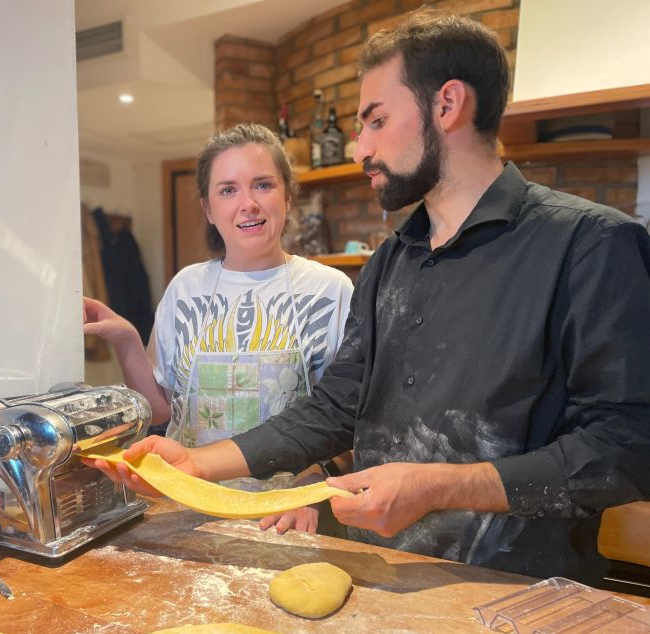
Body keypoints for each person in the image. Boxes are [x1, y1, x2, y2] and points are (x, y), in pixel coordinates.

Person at [87, 9, 650, 585]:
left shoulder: (590, 245)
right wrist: (199, 462)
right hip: (377, 576)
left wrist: (441, 486)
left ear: (448, 105)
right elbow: (334, 409)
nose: (360, 149)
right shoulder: (390, 262)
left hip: (511, 592)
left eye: (376, 121)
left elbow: (631, 447)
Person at [83, 123, 354, 505]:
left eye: (263, 184)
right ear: (208, 209)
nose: (248, 203)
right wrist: (126, 339)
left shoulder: (330, 290)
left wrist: (309, 489)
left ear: (288, 196)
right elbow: (161, 408)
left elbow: (345, 418)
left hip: (285, 510)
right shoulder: (186, 288)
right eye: (228, 190)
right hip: (186, 499)